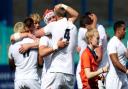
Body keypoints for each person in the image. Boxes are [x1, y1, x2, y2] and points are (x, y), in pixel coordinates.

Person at [40, 3, 78, 89]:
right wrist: (56, 46)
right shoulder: (44, 38)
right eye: (49, 19)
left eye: (53, 17)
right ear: (46, 23)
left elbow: (75, 16)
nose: (52, 19)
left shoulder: (60, 30)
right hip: (48, 76)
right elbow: (41, 53)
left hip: (62, 72)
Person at [8, 19, 40, 89]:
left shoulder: (11, 46)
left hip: (19, 80)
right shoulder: (33, 41)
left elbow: (11, 65)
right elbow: (43, 44)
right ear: (24, 29)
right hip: (32, 78)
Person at [106, 21, 128, 89]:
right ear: (118, 30)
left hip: (123, 77)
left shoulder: (121, 43)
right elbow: (115, 62)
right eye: (124, 29)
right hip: (114, 80)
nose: (126, 31)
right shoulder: (112, 42)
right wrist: (126, 71)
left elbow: (127, 56)